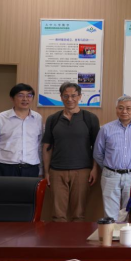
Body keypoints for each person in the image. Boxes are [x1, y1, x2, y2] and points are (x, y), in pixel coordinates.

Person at [42, 82, 100, 222]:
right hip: (57, 172)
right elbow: (47, 147)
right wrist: (47, 172)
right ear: (61, 97)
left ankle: (77, 237)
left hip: (82, 171)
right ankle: (58, 237)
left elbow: (97, 147)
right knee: (58, 215)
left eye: (73, 96)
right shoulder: (53, 119)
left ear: (79, 97)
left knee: (78, 215)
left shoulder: (90, 118)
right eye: (66, 96)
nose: (70, 99)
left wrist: (94, 169)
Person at [94, 96, 131, 220]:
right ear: (116, 109)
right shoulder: (106, 129)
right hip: (110, 175)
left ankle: (126, 233)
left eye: (128, 108)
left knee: (130, 211)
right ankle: (111, 233)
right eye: (121, 108)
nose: (124, 111)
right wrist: (109, 167)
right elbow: (98, 153)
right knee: (110, 215)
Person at [0, 83, 43, 177]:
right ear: (12, 98)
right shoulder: (0, 118)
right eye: (20, 95)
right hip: (5, 168)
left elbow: (40, 147)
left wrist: (41, 170)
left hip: (31, 169)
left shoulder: (38, 118)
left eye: (29, 95)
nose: (25, 99)